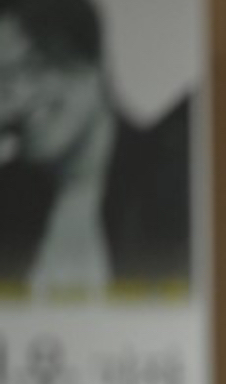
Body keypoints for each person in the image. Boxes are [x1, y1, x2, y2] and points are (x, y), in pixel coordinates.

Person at [0, 0, 190, 300]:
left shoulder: (178, 176)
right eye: (2, 82)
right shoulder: (8, 204)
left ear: (91, 57)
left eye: (35, 64)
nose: (17, 98)